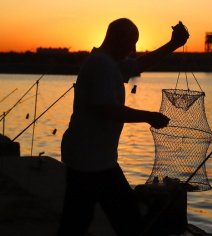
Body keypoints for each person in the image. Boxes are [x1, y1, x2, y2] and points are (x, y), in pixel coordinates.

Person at [56, 18, 189, 236]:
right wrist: (149, 117)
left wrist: (173, 44)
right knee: (125, 220)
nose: (134, 49)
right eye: (131, 43)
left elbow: (139, 65)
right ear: (117, 39)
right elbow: (109, 110)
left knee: (77, 222)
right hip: (92, 161)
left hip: (94, 158)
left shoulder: (108, 62)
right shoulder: (103, 65)